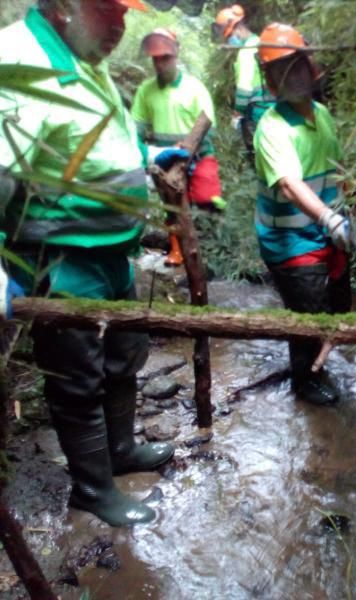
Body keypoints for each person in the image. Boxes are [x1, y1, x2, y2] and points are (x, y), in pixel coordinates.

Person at [0, 0, 175, 526]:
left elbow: (96, 137)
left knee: (125, 355)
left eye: (123, 12)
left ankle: (120, 452)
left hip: (112, 249)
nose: (119, 26)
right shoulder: (20, 62)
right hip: (61, 256)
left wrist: (146, 159)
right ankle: (94, 490)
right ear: (62, 6)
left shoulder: (82, 58)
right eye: (106, 9)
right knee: (78, 377)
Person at [253, 23, 351, 406]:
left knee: (339, 306)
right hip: (291, 242)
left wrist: (345, 210)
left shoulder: (323, 116)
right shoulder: (272, 128)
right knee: (309, 316)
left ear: (310, 67)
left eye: (295, 66)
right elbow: (291, 184)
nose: (290, 76)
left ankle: (318, 363)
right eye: (279, 71)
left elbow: (336, 171)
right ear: (270, 81)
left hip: (326, 233)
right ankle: (305, 382)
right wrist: (330, 218)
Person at [132, 27, 225, 266]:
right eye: (156, 59)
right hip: (166, 158)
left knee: (208, 198)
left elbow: (208, 126)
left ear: (176, 55)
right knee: (172, 206)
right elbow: (137, 127)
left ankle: (215, 240)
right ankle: (178, 250)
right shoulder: (146, 91)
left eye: (165, 57)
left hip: (199, 153)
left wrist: (188, 145)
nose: (160, 63)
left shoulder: (195, 88)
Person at [212, 4, 274, 162]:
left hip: (259, 110)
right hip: (274, 104)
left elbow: (244, 88)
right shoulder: (260, 42)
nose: (230, 40)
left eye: (229, 35)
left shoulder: (247, 51)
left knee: (262, 155)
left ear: (237, 29)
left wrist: (237, 112)